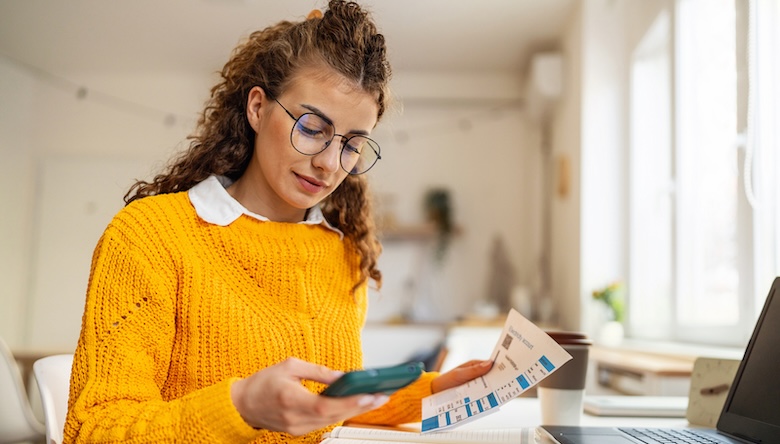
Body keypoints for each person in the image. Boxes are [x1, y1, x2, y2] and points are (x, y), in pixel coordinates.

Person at [63, 1, 492, 443]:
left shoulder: (342, 252)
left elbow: (325, 400)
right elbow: (95, 429)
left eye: (352, 144)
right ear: (256, 108)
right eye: (311, 127)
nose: (328, 163)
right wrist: (241, 407)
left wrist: (434, 390)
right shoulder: (150, 237)